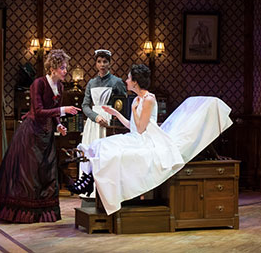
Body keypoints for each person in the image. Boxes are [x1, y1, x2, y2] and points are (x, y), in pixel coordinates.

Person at [68, 64, 233, 215]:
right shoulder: (139, 99)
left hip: (146, 140)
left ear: (136, 82)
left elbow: (140, 128)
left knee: (110, 150)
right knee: (99, 144)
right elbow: (133, 126)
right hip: (137, 136)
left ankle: (90, 184)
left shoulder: (148, 99)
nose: (126, 81)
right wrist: (116, 114)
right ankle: (87, 181)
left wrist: (132, 109)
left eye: (129, 78)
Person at [0, 49, 81, 223]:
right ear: (52, 68)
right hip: (30, 134)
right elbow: (38, 111)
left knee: (45, 173)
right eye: (62, 67)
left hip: (46, 136)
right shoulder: (39, 83)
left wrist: (59, 124)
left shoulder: (59, 86)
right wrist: (62, 110)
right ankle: (24, 213)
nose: (65, 71)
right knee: (28, 175)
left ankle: (42, 212)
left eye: (65, 67)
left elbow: (53, 113)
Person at [77, 49, 126, 198]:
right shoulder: (91, 83)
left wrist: (114, 120)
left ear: (110, 63)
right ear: (96, 63)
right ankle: (89, 189)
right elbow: (85, 105)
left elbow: (122, 103)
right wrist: (95, 116)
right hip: (94, 121)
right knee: (91, 153)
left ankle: (107, 190)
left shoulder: (116, 81)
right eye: (99, 61)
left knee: (107, 154)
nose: (102, 64)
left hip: (109, 121)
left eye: (105, 61)